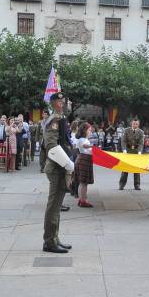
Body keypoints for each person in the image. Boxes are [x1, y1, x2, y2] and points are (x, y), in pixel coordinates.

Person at [42, 93, 75, 253]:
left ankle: (54, 238)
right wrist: (69, 165)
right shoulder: (54, 119)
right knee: (53, 206)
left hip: (61, 168)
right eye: (63, 102)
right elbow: (51, 146)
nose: (67, 104)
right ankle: (49, 241)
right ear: (57, 103)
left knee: (57, 206)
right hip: (56, 168)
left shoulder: (60, 118)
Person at [119, 119, 145, 190]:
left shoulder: (141, 132)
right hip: (128, 150)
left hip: (136, 151)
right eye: (134, 124)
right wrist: (124, 150)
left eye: (136, 124)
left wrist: (139, 151)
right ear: (131, 124)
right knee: (125, 169)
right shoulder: (126, 130)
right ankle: (122, 184)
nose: (135, 125)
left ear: (138, 124)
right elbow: (123, 141)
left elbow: (141, 143)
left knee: (136, 169)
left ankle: (137, 185)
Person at [75, 122, 95, 208]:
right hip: (84, 160)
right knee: (83, 182)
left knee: (82, 182)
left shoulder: (82, 138)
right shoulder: (83, 139)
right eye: (89, 130)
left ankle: (81, 199)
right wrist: (91, 146)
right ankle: (83, 200)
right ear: (85, 130)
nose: (90, 131)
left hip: (83, 159)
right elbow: (84, 145)